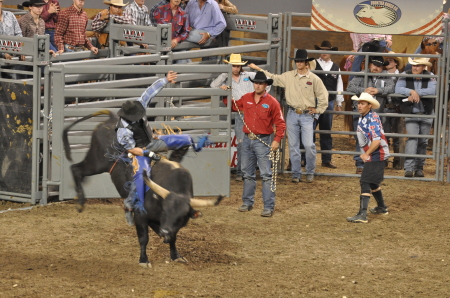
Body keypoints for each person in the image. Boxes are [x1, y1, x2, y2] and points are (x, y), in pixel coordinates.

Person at [117, 71, 208, 225]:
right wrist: (149, 154)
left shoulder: (139, 104)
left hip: (152, 141)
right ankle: (130, 205)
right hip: (138, 151)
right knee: (141, 177)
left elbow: (150, 92)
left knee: (185, 139)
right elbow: (132, 149)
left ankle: (174, 161)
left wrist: (165, 80)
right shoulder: (123, 130)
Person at [249, 49, 328, 183]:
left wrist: (318, 109)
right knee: (293, 145)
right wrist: (257, 68)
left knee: (309, 145)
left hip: (306, 114)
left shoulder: (314, 79)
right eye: (297, 61)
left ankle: (309, 171)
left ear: (306, 63)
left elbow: (323, 95)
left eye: (301, 61)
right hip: (292, 113)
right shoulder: (288, 76)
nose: (299, 63)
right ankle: (296, 173)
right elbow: (273, 77)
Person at [225, 71, 285, 217]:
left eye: (260, 83)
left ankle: (268, 206)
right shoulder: (246, 98)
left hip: (263, 140)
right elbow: (234, 106)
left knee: (266, 174)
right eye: (256, 83)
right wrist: (225, 94)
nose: (257, 85)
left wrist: (277, 140)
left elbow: (280, 123)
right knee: (247, 173)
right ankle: (247, 202)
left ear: (265, 85)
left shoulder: (272, 102)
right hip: (247, 139)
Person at [210, 54, 270, 181]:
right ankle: (241, 171)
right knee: (242, 143)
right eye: (233, 66)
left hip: (253, 113)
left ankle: (246, 171)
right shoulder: (226, 78)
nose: (236, 68)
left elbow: (267, 80)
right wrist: (225, 77)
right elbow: (213, 86)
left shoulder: (249, 76)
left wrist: (258, 70)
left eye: (237, 66)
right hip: (240, 113)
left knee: (253, 142)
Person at [346, 92, 390, 223]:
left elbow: (376, 141)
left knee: (365, 181)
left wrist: (366, 153)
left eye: (362, 103)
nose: (359, 106)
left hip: (377, 154)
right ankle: (382, 207)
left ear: (369, 106)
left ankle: (362, 214)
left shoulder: (371, 119)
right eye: (359, 103)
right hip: (376, 154)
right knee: (372, 182)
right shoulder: (365, 117)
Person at [346, 56, 394, 174]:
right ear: (370, 65)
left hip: (377, 113)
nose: (376, 68)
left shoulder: (386, 76)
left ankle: (374, 162)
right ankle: (360, 163)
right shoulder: (362, 74)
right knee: (361, 137)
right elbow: (350, 87)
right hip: (362, 112)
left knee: (376, 137)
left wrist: (378, 91)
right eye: (374, 65)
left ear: (382, 67)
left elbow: (392, 87)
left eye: (379, 66)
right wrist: (365, 90)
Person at [395, 57, 436, 178]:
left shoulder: (430, 75)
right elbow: (398, 88)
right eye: (413, 65)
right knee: (413, 138)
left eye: (418, 66)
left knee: (423, 141)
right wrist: (412, 92)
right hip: (411, 113)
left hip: (426, 112)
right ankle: (409, 168)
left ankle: (419, 168)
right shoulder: (404, 74)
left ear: (424, 67)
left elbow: (433, 90)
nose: (415, 68)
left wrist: (416, 92)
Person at [312, 40, 344, 168]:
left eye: (327, 50)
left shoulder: (336, 67)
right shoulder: (313, 64)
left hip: (329, 101)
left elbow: (339, 84)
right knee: (311, 130)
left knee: (326, 131)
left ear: (330, 52)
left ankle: (326, 159)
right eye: (322, 50)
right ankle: (308, 158)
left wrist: (339, 101)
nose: (324, 52)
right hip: (314, 101)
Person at [383, 51, 403, 169]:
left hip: (396, 108)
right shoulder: (383, 74)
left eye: (391, 60)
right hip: (385, 107)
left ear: (396, 63)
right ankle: (384, 158)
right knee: (384, 134)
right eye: (388, 60)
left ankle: (397, 160)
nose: (388, 62)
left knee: (396, 134)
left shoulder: (401, 76)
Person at [0, 0, 23, 79]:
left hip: (11, 55)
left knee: (11, 84)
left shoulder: (10, 15)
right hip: (3, 55)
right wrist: (3, 54)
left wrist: (19, 50)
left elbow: (18, 34)